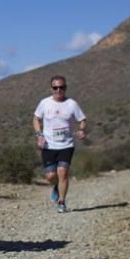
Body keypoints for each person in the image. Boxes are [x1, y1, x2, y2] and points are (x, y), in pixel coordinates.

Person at [33, 75, 87, 213]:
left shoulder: (72, 104)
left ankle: (62, 202)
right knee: (50, 176)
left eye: (61, 87)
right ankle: (56, 186)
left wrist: (81, 129)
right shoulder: (44, 103)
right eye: (55, 87)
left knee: (62, 173)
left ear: (65, 88)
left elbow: (82, 119)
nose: (58, 90)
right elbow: (36, 119)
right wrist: (39, 135)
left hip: (66, 145)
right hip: (48, 146)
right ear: (51, 88)